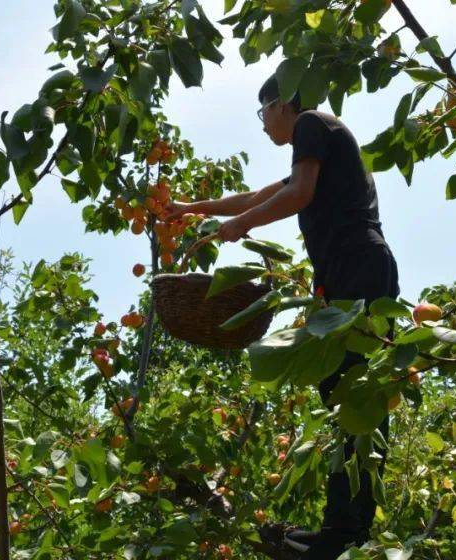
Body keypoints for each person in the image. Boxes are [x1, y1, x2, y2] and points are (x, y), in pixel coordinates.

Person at [165, 74, 400, 558]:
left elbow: (298, 196)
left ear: (281, 104)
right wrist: (194, 209)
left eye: (263, 113)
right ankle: (344, 529)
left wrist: (239, 227)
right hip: (346, 275)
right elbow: (259, 196)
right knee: (343, 396)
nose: (265, 125)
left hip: (358, 267)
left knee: (356, 393)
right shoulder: (316, 142)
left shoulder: (313, 122)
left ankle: (346, 533)